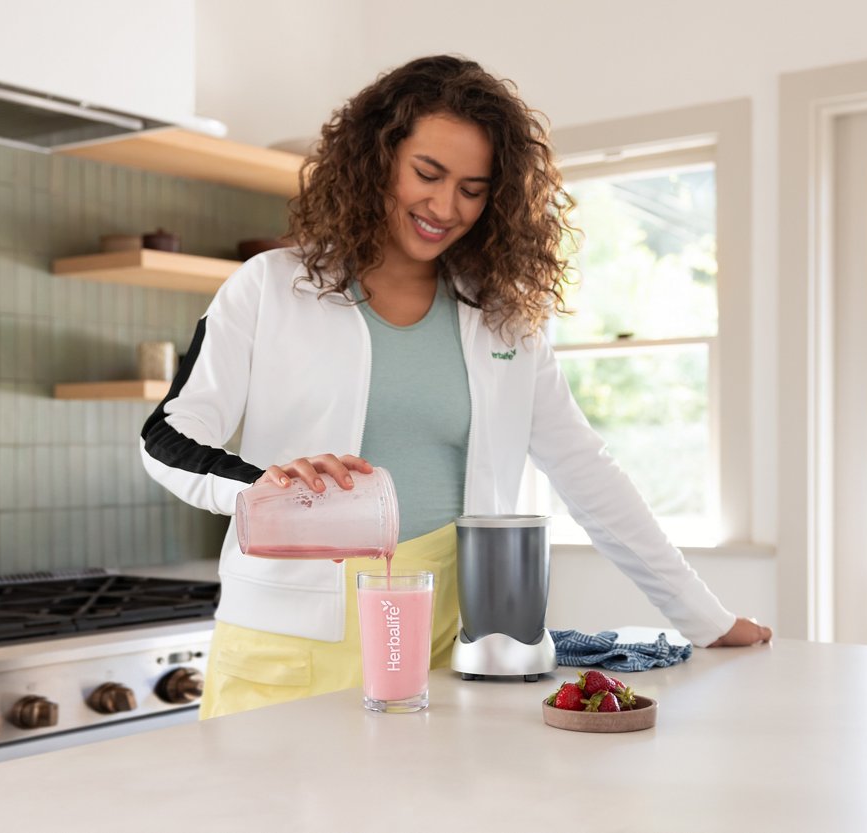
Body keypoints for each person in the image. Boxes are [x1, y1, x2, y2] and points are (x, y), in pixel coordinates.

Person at [140, 54, 772, 719]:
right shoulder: (270, 287)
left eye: (473, 188)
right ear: (377, 158)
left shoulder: (503, 319)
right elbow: (167, 437)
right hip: (285, 649)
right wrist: (261, 485)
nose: (445, 207)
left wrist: (704, 618)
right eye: (427, 173)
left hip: (443, 650)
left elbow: (587, 472)